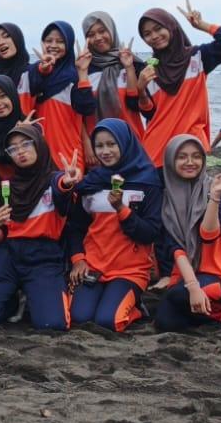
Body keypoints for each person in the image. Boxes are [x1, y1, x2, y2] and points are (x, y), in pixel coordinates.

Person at [0, 124, 83, 331]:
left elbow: (61, 191)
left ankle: (41, 296)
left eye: (26, 144)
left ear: (39, 145)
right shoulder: (5, 187)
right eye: (13, 148)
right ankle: (11, 300)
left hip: (43, 256)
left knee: (51, 325)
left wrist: (67, 182)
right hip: (7, 254)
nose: (20, 152)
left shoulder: (53, 180)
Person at [67, 119, 164, 333]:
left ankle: (136, 309)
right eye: (99, 146)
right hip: (93, 266)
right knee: (79, 318)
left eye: (112, 144)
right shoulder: (90, 183)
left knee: (109, 322)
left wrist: (121, 209)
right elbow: (75, 228)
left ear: (125, 143)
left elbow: (150, 233)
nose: (105, 151)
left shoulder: (148, 182)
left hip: (130, 270)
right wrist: (78, 259)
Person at [153, 136, 221, 332]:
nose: (190, 162)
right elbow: (176, 248)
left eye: (196, 156)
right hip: (191, 271)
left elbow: (209, 235)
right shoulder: (166, 198)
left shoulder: (219, 189)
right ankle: (216, 312)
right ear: (171, 160)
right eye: (182, 157)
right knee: (164, 322)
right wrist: (192, 285)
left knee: (176, 296)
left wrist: (214, 197)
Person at [132, 2, 221, 162]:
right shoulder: (149, 69)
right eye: (147, 34)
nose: (154, 36)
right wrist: (140, 90)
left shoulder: (197, 58)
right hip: (157, 151)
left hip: (191, 147)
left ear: (171, 27)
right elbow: (150, 114)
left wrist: (201, 25)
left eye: (158, 28)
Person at [28, 21, 94, 165]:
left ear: (69, 44)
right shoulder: (33, 73)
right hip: (39, 150)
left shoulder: (74, 75)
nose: (53, 45)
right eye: (48, 40)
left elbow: (85, 110)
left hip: (69, 149)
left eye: (60, 41)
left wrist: (83, 72)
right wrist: (42, 71)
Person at [79, 12, 145, 130]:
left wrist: (129, 68)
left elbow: (136, 105)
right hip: (97, 139)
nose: (98, 38)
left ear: (111, 30)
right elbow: (82, 111)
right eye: (91, 34)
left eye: (102, 31)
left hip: (131, 138)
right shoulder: (83, 68)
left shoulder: (133, 63)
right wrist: (82, 72)